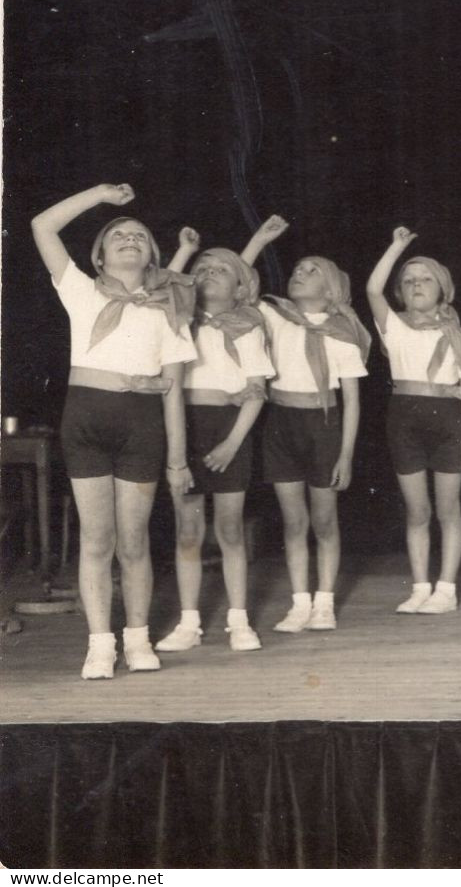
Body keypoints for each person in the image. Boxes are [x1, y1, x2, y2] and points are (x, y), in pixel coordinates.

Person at [31, 184, 196, 678]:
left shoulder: (169, 309)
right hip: (85, 419)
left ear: (152, 258)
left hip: (141, 427)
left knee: (134, 541)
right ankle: (100, 644)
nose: (129, 238)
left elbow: (174, 391)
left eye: (140, 237)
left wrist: (178, 461)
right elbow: (42, 225)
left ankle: (138, 638)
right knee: (96, 540)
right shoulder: (80, 290)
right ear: (99, 257)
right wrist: (101, 196)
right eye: (118, 234)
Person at [242, 215, 369, 633]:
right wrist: (260, 240)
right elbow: (238, 287)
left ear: (331, 288)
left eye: (312, 270)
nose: (299, 273)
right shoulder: (276, 316)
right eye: (298, 269)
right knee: (293, 521)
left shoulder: (343, 331)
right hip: (281, 421)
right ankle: (299, 603)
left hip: (325, 424)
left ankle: (325, 602)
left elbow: (351, 399)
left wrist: (346, 454)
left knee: (324, 519)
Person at [156, 233, 273, 652]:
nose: (209, 274)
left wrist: (232, 444)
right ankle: (188, 624)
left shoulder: (248, 326)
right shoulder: (176, 320)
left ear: (241, 288)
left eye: (221, 270)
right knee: (188, 530)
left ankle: (239, 621)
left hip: (230, 429)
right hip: (182, 426)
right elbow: (162, 282)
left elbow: (257, 390)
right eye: (202, 268)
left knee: (229, 528)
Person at [365, 227, 461, 615]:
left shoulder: (458, 335)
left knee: (448, 508)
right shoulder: (393, 326)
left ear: (443, 289)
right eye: (409, 280)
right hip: (404, 421)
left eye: (426, 278)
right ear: (401, 291)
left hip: (449, 422)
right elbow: (371, 290)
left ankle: (446, 589)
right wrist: (397, 246)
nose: (417, 284)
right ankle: (420, 586)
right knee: (417, 510)